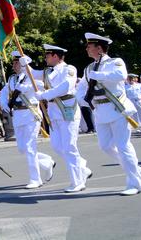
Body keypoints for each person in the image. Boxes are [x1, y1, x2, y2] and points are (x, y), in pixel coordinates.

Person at [76, 32, 141, 196]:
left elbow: (121, 76)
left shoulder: (115, 62)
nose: (86, 48)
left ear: (99, 48)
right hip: (100, 112)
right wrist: (86, 101)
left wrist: (98, 75)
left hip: (117, 109)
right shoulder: (89, 68)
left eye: (89, 46)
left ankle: (135, 183)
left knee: (123, 146)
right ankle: (134, 167)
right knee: (105, 146)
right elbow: (81, 90)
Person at [35, 43, 93, 193]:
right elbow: (33, 73)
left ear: (55, 56)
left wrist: (44, 95)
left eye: (47, 55)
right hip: (54, 114)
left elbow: (65, 87)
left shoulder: (69, 69)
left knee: (69, 147)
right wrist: (24, 64)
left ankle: (77, 182)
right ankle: (82, 168)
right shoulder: (48, 71)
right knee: (56, 146)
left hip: (67, 112)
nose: (45, 58)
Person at [0, 52, 55, 189]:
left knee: (30, 148)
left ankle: (35, 179)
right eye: (13, 63)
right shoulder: (12, 79)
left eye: (17, 62)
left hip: (31, 114)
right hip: (18, 115)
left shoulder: (31, 77)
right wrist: (4, 104)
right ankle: (46, 162)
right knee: (22, 148)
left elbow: (42, 85)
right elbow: (4, 92)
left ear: (24, 64)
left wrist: (25, 87)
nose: (14, 65)